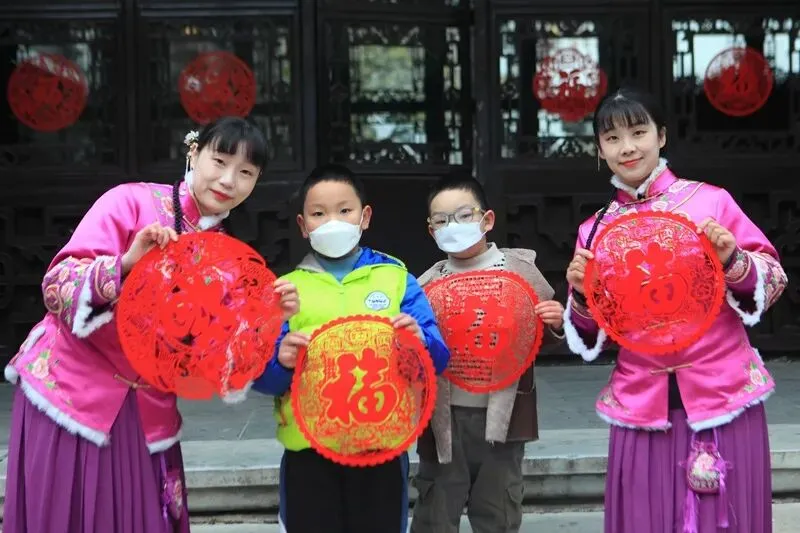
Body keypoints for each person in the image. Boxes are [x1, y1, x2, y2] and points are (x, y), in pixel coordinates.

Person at [3, 116, 300, 533]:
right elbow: (58, 283)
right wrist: (126, 264)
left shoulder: (225, 257)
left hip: (147, 404)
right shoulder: (129, 202)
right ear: (193, 153)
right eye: (219, 161)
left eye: (246, 172)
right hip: (72, 388)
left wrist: (268, 319)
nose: (228, 180)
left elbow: (213, 357)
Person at [563, 88, 788, 533]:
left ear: (661, 136)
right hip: (642, 401)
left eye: (639, 132)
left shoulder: (712, 202)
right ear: (599, 150)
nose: (627, 147)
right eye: (612, 138)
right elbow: (591, 336)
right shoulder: (594, 231)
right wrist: (582, 296)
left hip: (723, 390)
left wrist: (731, 259)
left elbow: (774, 277)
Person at [252, 163, 450, 533]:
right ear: (303, 225)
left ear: (365, 216)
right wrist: (280, 361)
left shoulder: (396, 279)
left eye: (344, 210)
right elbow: (260, 376)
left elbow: (437, 358)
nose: (333, 221)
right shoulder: (285, 290)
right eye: (318, 213)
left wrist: (419, 344)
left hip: (381, 448)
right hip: (308, 450)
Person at [410, 175, 565, 533]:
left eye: (464, 215)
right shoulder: (424, 286)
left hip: (504, 419)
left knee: (497, 510)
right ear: (431, 230)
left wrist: (555, 323)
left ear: (487, 219)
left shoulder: (520, 271)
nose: (454, 226)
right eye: (442, 220)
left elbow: (541, 338)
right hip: (444, 418)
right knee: (436, 511)